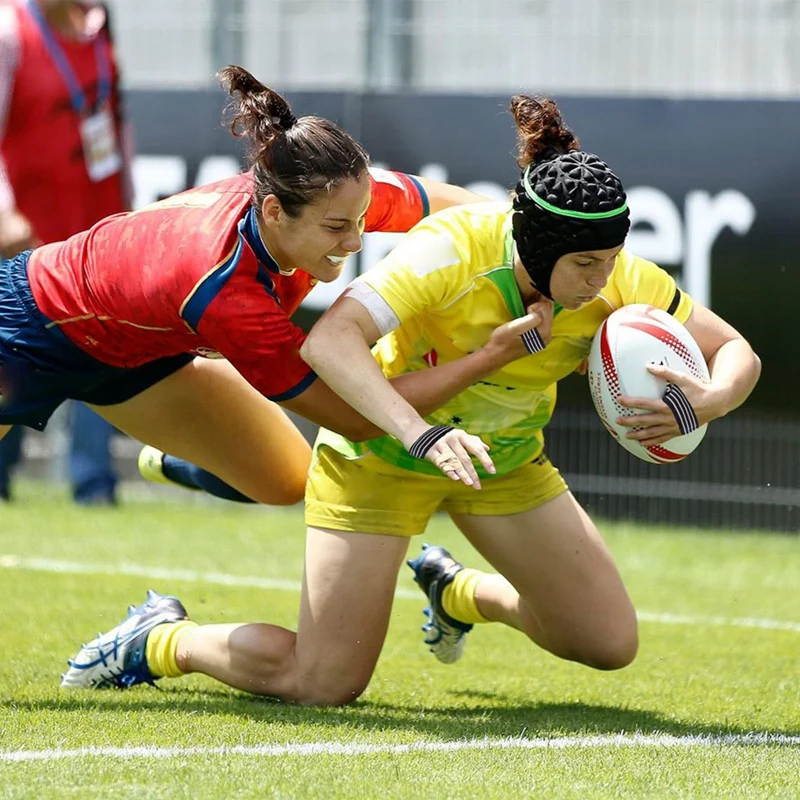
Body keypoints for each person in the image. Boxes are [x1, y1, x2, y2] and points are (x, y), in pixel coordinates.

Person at [61, 95, 760, 705]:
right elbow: (333, 341)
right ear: (535, 247)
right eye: (585, 265)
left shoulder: (615, 277)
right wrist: (421, 433)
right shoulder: (453, 250)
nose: (602, 280)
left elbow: (737, 351)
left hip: (503, 464)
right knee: (324, 683)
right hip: (383, 459)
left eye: (610, 261)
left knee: (608, 643)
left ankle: (458, 594)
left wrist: (709, 398)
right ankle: (162, 641)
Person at [0, 0, 131, 504]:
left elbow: (115, 120)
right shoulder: (11, 32)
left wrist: (128, 198)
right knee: (11, 359)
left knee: (106, 350)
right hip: (24, 236)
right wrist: (4, 212)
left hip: (94, 229)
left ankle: (94, 486)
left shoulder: (100, 24)